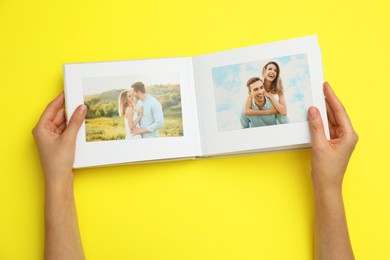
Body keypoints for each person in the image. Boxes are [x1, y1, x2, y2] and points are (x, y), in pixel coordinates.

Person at [32, 82, 357, 260]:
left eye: (133, 94)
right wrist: (327, 186)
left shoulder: (145, 105)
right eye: (128, 95)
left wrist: (57, 178)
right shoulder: (134, 108)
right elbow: (135, 127)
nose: (131, 97)